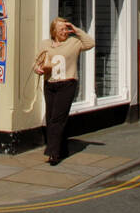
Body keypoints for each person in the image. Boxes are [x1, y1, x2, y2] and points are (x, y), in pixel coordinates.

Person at [33, 18, 94, 165]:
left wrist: (75, 28)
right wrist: (37, 68)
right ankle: (63, 148)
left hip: (67, 84)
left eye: (66, 29)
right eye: (61, 29)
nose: (64, 31)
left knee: (57, 118)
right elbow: (37, 61)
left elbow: (90, 43)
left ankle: (53, 153)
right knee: (50, 117)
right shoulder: (45, 44)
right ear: (53, 31)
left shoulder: (74, 42)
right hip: (50, 84)